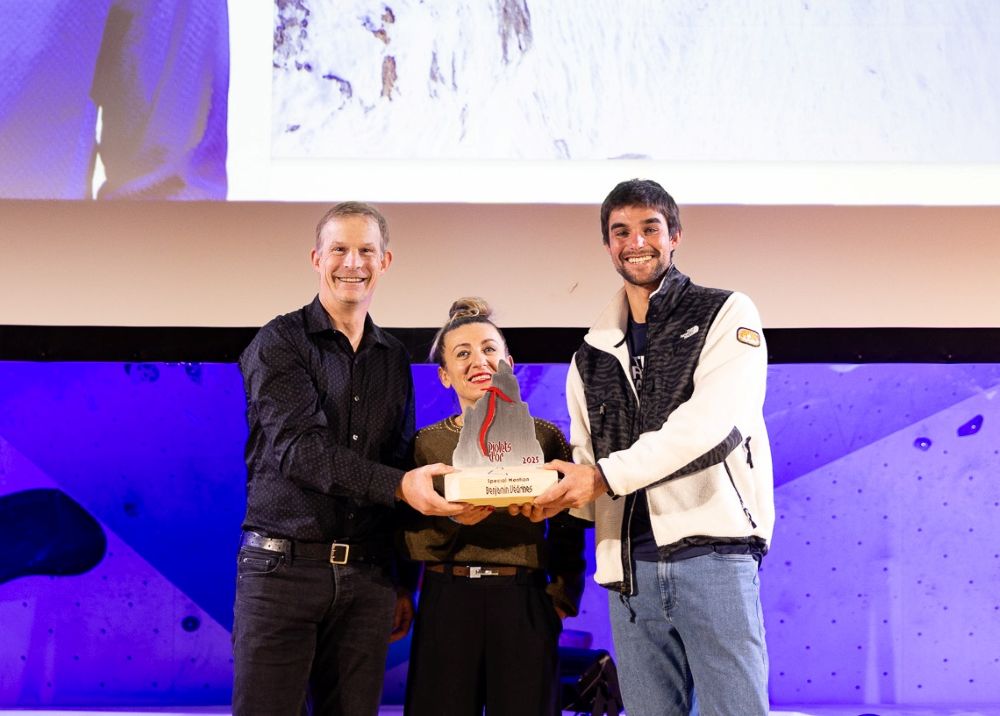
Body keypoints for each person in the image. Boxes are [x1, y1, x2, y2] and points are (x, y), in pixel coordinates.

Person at [532, 179, 775, 716]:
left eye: (649, 228)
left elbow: (708, 428)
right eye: (620, 231)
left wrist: (596, 479)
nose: (635, 241)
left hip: (713, 555)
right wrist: (556, 499)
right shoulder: (591, 353)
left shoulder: (726, 313)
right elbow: (587, 464)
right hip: (629, 573)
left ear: (675, 236)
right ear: (607, 246)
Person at [232, 202, 464, 716]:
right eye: (339, 249)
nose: (351, 263)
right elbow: (300, 452)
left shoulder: (394, 358)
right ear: (317, 258)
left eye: (366, 251)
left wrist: (403, 582)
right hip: (282, 570)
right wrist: (404, 488)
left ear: (386, 261)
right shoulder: (280, 342)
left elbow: (399, 459)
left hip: (368, 579)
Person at [401, 298, 586, 716]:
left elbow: (570, 527)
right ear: (445, 376)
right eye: (462, 354)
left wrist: (559, 600)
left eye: (488, 349)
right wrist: (449, 520)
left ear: (509, 362)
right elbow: (405, 526)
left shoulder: (544, 438)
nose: (478, 361)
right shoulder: (425, 445)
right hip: (446, 598)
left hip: (522, 600)